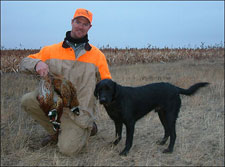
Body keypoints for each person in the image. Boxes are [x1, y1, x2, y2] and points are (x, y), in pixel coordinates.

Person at [19, 8, 112, 155]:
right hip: (55, 104)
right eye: (78, 22)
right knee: (28, 100)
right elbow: (24, 62)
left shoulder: (97, 56)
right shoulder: (50, 50)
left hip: (79, 111)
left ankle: (88, 127)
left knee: (68, 150)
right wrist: (36, 64)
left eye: (85, 24)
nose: (80, 26)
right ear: (71, 22)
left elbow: (107, 83)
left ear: (89, 27)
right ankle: (55, 132)